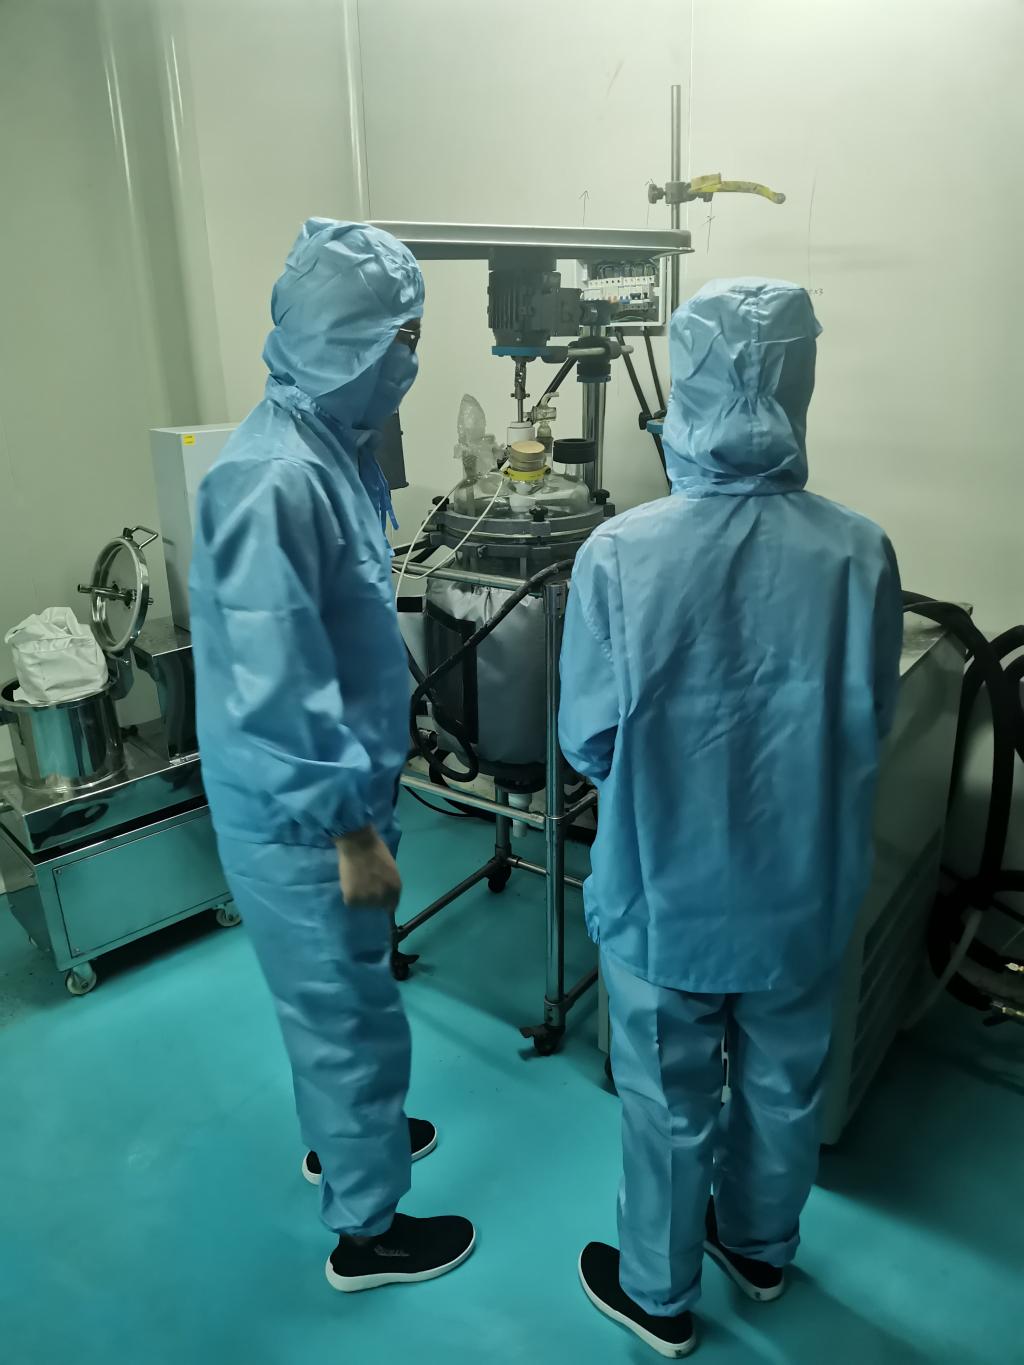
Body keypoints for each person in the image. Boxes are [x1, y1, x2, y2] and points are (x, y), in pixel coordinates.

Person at [560, 278, 903, 1357]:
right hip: (801, 885)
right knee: (782, 1081)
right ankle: (759, 1247)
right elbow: (870, 721)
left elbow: (588, 737)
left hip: (668, 886)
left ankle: (658, 1296)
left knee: (667, 1096)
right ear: (801, 380)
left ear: (686, 381)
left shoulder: (621, 553)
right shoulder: (859, 551)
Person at [189, 219, 475, 1292]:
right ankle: (369, 1231)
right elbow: (278, 689)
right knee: (347, 1012)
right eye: (402, 338)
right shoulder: (271, 479)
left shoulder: (328, 448)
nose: (411, 361)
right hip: (305, 810)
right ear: (346, 337)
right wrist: (351, 830)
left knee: (338, 992)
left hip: (333, 788)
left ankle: (353, 1137)